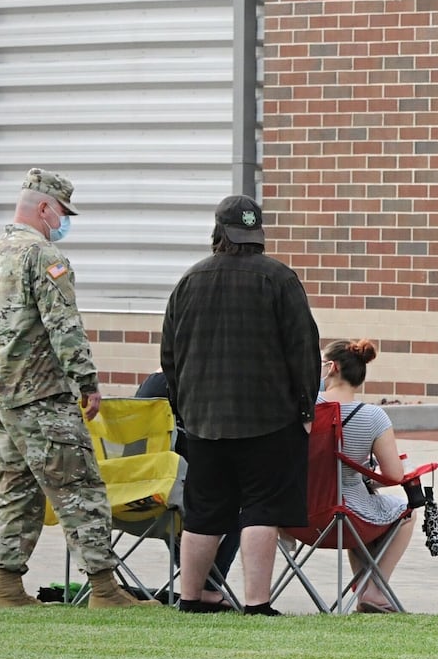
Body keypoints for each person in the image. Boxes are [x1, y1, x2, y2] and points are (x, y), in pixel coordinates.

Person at [0, 168, 154, 609]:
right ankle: (106, 592)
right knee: (80, 486)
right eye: (63, 212)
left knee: (16, 488)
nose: (64, 221)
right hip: (41, 396)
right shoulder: (44, 257)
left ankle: (8, 588)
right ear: (44, 208)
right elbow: (64, 327)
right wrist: (87, 383)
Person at [160, 194, 321, 615]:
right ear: (257, 236)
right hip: (268, 421)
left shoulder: (189, 281)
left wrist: (185, 409)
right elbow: (304, 351)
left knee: (204, 511)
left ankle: (190, 597)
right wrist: (306, 410)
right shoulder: (280, 279)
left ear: (218, 233)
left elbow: (169, 357)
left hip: (204, 422)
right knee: (261, 509)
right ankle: (257, 602)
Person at [318, 338, 416, 614]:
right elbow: (394, 475)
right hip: (346, 515)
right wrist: (366, 476)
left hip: (297, 514)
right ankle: (373, 588)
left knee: (360, 508)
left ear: (332, 367)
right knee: (403, 512)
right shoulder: (373, 417)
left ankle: (367, 589)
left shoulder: (305, 407)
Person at [137, 368, 238, 609]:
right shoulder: (205, 383)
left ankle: (201, 587)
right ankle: (207, 588)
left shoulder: (153, 384)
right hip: (179, 490)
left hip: (136, 487)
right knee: (243, 505)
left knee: (180, 507)